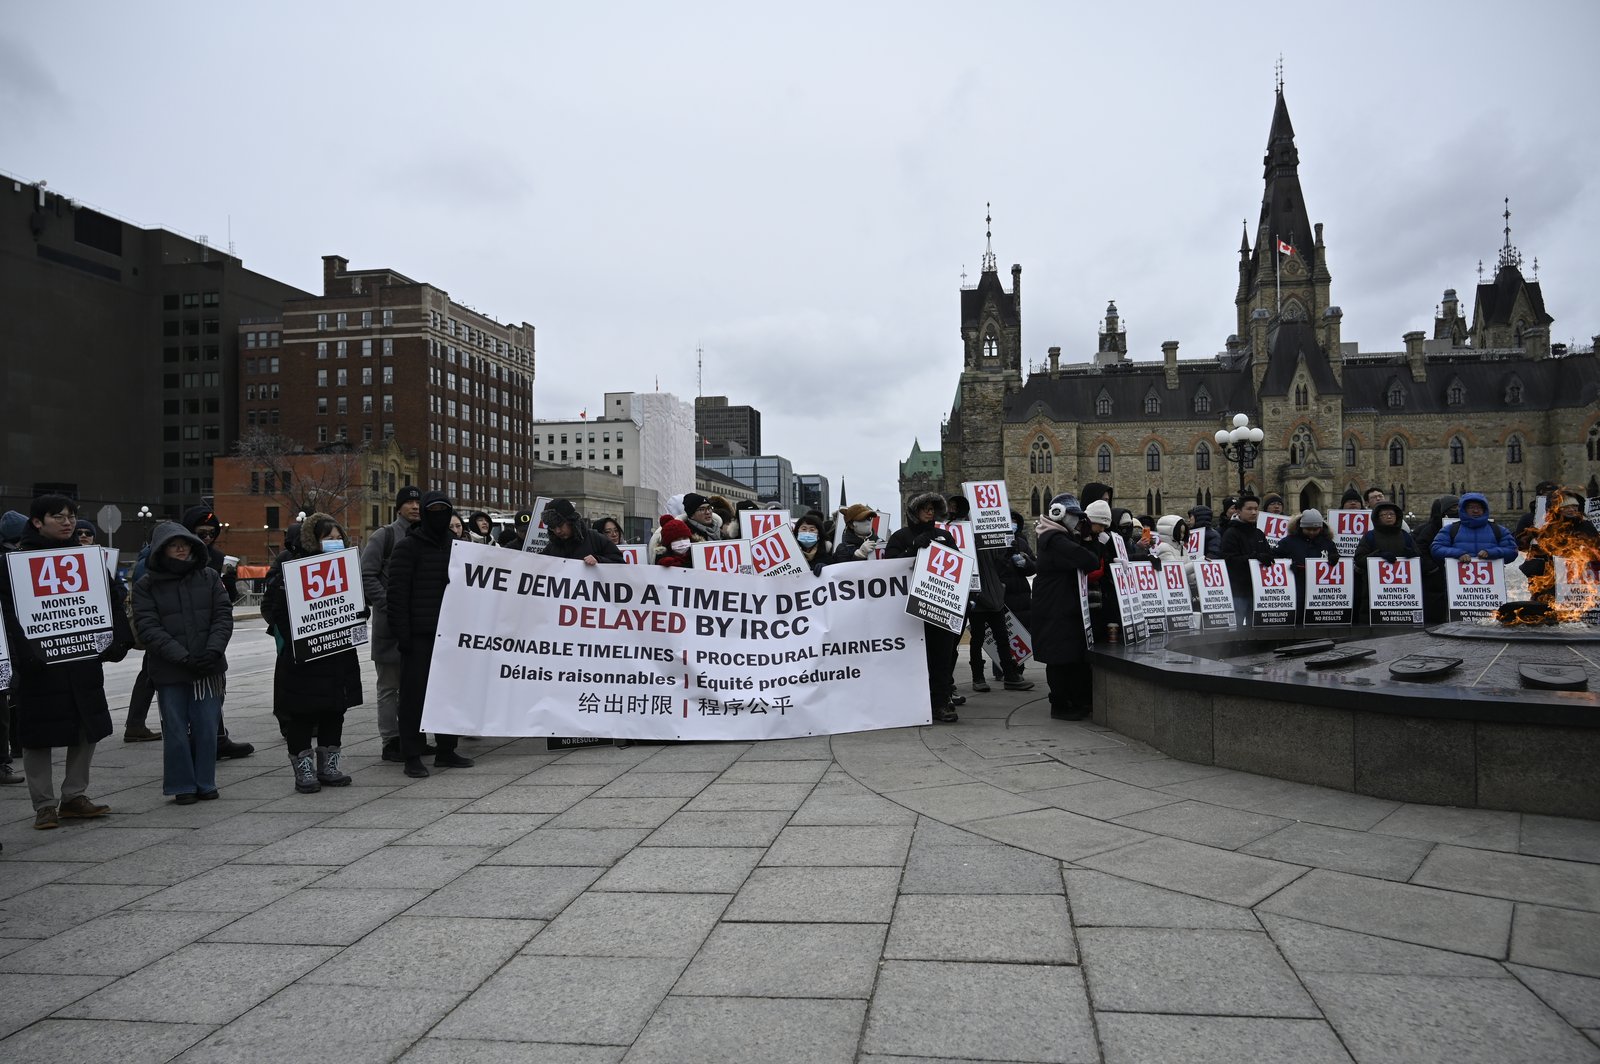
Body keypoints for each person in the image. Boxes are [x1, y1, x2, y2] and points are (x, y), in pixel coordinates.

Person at [0, 495, 132, 829]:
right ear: (37, 522)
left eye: (71, 516)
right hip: (38, 665)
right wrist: (25, 655)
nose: (68, 522)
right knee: (36, 735)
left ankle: (74, 795)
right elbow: (8, 614)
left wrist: (117, 638)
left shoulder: (88, 558)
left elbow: (111, 598)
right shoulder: (13, 563)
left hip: (82, 660)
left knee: (87, 726)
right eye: (58, 516)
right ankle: (44, 805)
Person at [132, 520, 233, 805]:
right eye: (173, 544)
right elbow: (149, 628)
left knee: (206, 726)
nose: (180, 548)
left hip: (208, 669)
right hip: (170, 670)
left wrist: (212, 651)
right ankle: (182, 784)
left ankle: (206, 781)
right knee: (175, 729)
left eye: (185, 543)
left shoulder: (210, 577)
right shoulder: (146, 585)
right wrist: (183, 657)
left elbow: (223, 617)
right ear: (161, 550)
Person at [261, 514, 363, 795]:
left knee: (334, 711)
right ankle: (303, 770)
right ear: (313, 540)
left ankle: (329, 766)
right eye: (326, 538)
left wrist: (358, 615)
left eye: (336, 537)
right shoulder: (292, 567)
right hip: (304, 656)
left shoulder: (347, 569)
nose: (333, 542)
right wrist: (297, 636)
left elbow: (354, 604)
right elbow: (276, 610)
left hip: (338, 654)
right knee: (302, 714)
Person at [387, 491, 473, 778]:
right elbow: (396, 597)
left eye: (444, 510)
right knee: (413, 698)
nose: (439, 515)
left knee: (449, 695)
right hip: (419, 636)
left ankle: (446, 750)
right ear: (424, 513)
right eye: (433, 510)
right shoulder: (407, 548)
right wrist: (404, 637)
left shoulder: (459, 547)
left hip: (450, 636)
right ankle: (412, 754)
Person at [180, 507, 254, 761]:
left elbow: (224, 604)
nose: (207, 538)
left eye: (212, 533)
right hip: (177, 636)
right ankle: (189, 741)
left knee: (215, 688)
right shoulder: (164, 557)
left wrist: (230, 586)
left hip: (209, 633)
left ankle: (217, 737)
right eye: (201, 533)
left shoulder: (217, 558)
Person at [885, 493, 961, 723]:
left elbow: (956, 565)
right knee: (915, 659)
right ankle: (914, 701)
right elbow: (889, 569)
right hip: (908, 608)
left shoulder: (944, 536)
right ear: (914, 512)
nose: (929, 512)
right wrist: (912, 550)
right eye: (925, 508)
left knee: (942, 658)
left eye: (932, 508)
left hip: (939, 606)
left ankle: (941, 702)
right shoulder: (901, 537)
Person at [363, 485, 424, 763]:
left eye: (418, 501)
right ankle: (391, 741)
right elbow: (366, 575)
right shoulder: (384, 536)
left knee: (416, 685)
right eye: (409, 502)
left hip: (418, 624)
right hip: (389, 626)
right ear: (398, 506)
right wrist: (389, 604)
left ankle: (414, 737)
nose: (414, 506)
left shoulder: (425, 535)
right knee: (389, 686)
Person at [948, 495, 1032, 693]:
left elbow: (998, 565)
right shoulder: (961, 537)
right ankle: (978, 677)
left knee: (1001, 637)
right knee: (977, 640)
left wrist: (1007, 554)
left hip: (993, 593)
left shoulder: (985, 537)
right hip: (977, 595)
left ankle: (1009, 675)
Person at [1032, 493, 1102, 720]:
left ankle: (1068, 701)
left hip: (1059, 606)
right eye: (1074, 516)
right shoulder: (1055, 539)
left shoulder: (1057, 536)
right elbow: (1089, 560)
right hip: (1055, 607)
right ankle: (1060, 705)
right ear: (1060, 515)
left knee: (1066, 657)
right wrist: (1088, 541)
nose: (1077, 521)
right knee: (1059, 658)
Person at [1221, 495, 1275, 623]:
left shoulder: (1259, 533)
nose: (1254, 512)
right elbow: (1229, 561)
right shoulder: (1231, 533)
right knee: (1237, 628)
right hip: (1239, 591)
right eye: (1249, 509)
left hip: (1258, 591)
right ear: (1238, 511)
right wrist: (1254, 557)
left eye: (1256, 509)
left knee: (1257, 627)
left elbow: (1269, 555)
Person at [997, 510, 1037, 679]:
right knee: (1003, 634)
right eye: (1009, 520)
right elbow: (996, 568)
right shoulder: (996, 542)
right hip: (1004, 594)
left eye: (1015, 520)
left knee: (1021, 633)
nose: (1012, 523)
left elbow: (1034, 566)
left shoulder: (1021, 542)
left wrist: (1025, 563)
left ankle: (1018, 668)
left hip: (1021, 595)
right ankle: (1002, 669)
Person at [1273, 509, 1340, 604]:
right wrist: (1287, 566)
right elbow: (1274, 557)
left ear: (1320, 528)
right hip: (1295, 587)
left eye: (1315, 529)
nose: (1312, 532)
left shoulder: (1328, 543)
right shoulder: (1288, 542)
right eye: (1308, 529)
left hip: (1319, 591)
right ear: (1301, 527)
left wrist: (1335, 558)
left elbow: (1335, 557)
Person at [1416, 495, 1461, 623]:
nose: (1457, 510)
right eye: (1453, 508)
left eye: (1459, 507)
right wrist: (1432, 567)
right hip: (1437, 576)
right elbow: (1420, 548)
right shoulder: (1431, 529)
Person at [542, 499, 625, 565]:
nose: (557, 531)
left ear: (571, 521)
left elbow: (620, 563)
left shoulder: (595, 539)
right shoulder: (552, 547)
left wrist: (598, 560)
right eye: (552, 527)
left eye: (560, 525)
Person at [794, 511, 831, 575]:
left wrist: (827, 568)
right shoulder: (789, 554)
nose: (807, 532)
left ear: (819, 534)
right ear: (797, 532)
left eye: (812, 530)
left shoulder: (827, 555)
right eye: (804, 529)